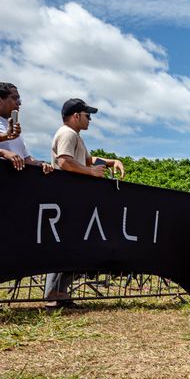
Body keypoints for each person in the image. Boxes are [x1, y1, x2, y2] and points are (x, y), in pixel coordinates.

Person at [45, 98, 126, 308]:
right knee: (67, 245)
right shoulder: (67, 133)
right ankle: (53, 295)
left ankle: (60, 292)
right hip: (67, 197)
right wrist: (90, 172)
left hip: (75, 197)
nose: (90, 119)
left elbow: (88, 160)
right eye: (87, 115)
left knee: (76, 246)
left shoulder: (76, 136)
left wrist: (110, 162)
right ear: (76, 116)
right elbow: (64, 161)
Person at [0, 82, 52, 174]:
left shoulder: (11, 126)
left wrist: (39, 163)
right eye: (14, 98)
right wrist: (3, 152)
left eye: (19, 99)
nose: (19, 103)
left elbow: (26, 158)